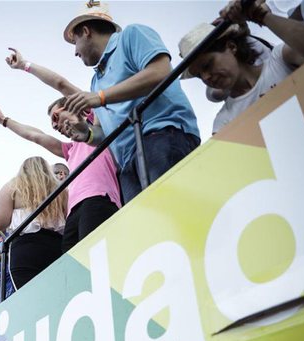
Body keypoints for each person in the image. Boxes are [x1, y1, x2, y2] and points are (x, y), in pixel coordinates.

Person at [58, 1, 200, 203]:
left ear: (85, 31)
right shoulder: (95, 81)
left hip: (161, 138)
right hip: (127, 165)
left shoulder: (131, 35)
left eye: (75, 42)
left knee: (177, 213)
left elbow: (160, 72)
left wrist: (101, 97)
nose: (75, 52)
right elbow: (102, 133)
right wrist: (87, 133)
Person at [0, 98, 121, 253]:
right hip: (74, 211)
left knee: (92, 254)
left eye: (56, 117)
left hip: (98, 198)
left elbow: (64, 86)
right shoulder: (70, 150)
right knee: (70, 262)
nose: (54, 125)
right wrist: (5, 121)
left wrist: (28, 70)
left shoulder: (96, 128)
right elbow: (36, 136)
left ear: (75, 108)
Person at [179, 0, 304, 133]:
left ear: (232, 47)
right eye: (198, 75)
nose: (205, 77)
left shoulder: (281, 60)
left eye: (207, 65)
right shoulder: (223, 123)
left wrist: (261, 15)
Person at [0, 157, 67, 290]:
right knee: (60, 291)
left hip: (25, 249)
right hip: (57, 245)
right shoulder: (61, 189)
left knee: (30, 297)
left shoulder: (12, 187)